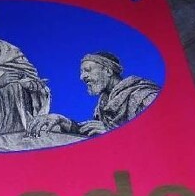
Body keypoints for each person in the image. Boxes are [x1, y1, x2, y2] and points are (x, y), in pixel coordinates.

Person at [27, 51, 159, 137]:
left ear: (108, 71)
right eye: (82, 72)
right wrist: (62, 121)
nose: (82, 77)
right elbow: (92, 130)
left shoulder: (145, 96)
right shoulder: (103, 104)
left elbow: (159, 135)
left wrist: (113, 132)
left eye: (88, 70)